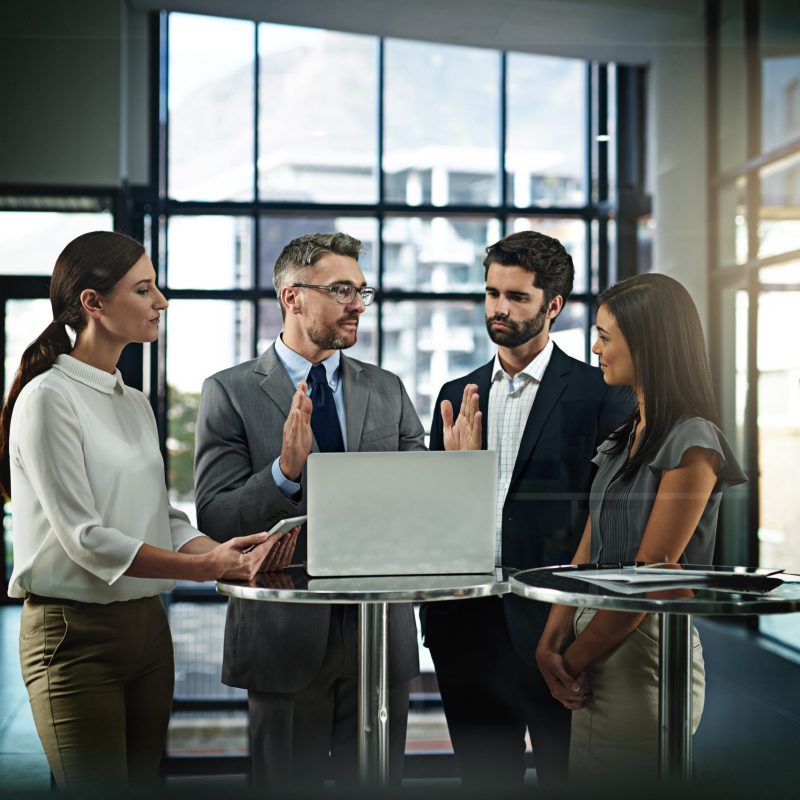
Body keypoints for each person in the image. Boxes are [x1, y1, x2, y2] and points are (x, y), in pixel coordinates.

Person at [0, 231, 293, 789]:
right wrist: (204, 570)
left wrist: (224, 553)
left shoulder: (133, 402)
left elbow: (162, 516)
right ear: (92, 303)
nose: (161, 301)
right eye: (144, 289)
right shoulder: (48, 397)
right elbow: (84, 538)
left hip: (147, 631)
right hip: (72, 634)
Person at [193, 232, 424, 789]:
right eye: (341, 289)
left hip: (378, 634)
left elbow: (420, 504)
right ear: (292, 297)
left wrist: (452, 471)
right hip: (283, 637)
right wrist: (284, 474)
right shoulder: (229, 392)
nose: (356, 304)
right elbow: (215, 517)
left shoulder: (387, 388)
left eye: (362, 292)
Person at [424, 230, 632, 789]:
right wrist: (458, 474)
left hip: (554, 630)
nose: (498, 308)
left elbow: (605, 519)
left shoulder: (603, 394)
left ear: (553, 306)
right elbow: (433, 520)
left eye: (517, 297)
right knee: (483, 782)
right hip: (465, 626)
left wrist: (574, 628)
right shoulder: (454, 392)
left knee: (569, 780)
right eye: (492, 293)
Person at [535, 272, 746, 778]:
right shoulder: (627, 433)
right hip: (595, 632)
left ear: (648, 345)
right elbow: (588, 547)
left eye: (606, 336)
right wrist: (551, 643)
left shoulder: (694, 440)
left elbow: (655, 571)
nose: (594, 347)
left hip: (643, 649)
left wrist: (574, 658)